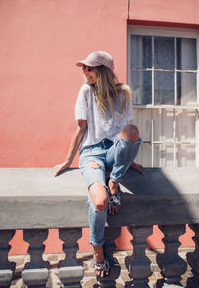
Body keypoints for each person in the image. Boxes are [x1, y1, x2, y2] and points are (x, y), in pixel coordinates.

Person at [54, 51, 143, 278]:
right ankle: (97, 250)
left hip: (113, 152)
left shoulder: (123, 94)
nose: (85, 72)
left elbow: (126, 134)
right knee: (100, 202)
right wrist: (68, 160)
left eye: (89, 68)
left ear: (102, 71)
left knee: (133, 131)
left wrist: (127, 160)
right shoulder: (86, 91)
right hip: (92, 153)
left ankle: (114, 183)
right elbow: (82, 128)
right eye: (84, 68)